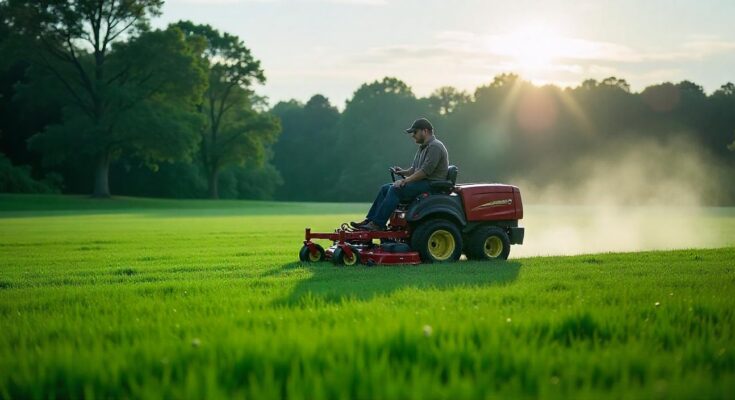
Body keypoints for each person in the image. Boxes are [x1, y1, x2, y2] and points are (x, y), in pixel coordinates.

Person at [351, 117, 449, 231]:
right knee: (385, 189)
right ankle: (370, 221)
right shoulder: (423, 147)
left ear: (425, 131)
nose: (413, 135)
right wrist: (402, 172)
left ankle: (378, 225)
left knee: (395, 189)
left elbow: (425, 172)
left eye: (415, 132)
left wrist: (404, 181)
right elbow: (414, 170)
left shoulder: (435, 147)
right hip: (423, 182)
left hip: (432, 185)